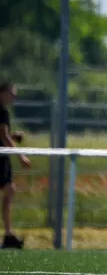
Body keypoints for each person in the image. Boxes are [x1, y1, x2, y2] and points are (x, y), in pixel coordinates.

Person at [0, 82, 30, 249]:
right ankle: (8, 234)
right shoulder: (2, 111)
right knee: (9, 191)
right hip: (1, 157)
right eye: (12, 93)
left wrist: (12, 136)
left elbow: (4, 135)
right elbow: (3, 136)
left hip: (3, 156)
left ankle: (9, 234)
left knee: (9, 191)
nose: (14, 97)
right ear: (2, 92)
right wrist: (21, 156)